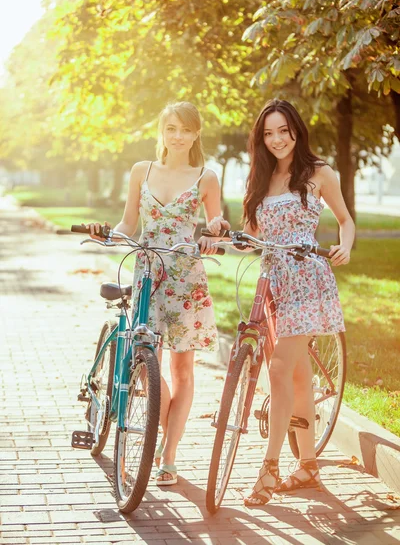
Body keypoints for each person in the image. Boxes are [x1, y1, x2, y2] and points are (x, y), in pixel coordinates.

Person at [207, 98, 355, 506]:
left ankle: (270, 466)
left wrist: (345, 246)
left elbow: (345, 219)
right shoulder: (261, 178)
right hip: (273, 283)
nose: (276, 139)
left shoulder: (319, 172)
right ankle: (308, 465)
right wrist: (222, 232)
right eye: (268, 133)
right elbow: (252, 238)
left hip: (308, 279)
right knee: (296, 375)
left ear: (296, 130)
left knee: (278, 368)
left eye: (282, 131)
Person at [86, 101, 224, 486]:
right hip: (147, 272)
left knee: (182, 369)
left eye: (185, 130)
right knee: (148, 367)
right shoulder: (141, 171)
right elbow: (129, 222)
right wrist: (107, 233)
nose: (177, 136)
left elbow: (213, 225)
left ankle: (169, 453)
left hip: (185, 278)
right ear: (161, 131)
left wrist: (214, 234)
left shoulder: (206, 176)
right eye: (171, 128)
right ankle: (157, 434)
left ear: (196, 134)